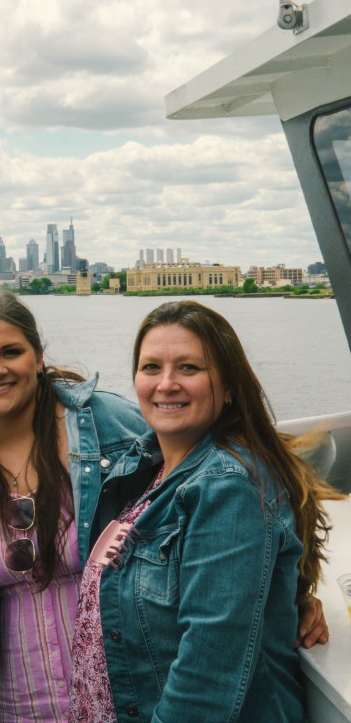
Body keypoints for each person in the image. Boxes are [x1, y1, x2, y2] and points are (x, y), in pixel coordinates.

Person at [69, 300, 343, 722]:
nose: (166, 384)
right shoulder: (147, 468)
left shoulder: (227, 487)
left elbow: (206, 677)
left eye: (189, 368)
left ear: (230, 386)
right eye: (151, 367)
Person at [0, 291, 147, 722]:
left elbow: (209, 483)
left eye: (11, 352)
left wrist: (294, 586)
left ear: (38, 358)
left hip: (123, 691)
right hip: (15, 705)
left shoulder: (108, 422)